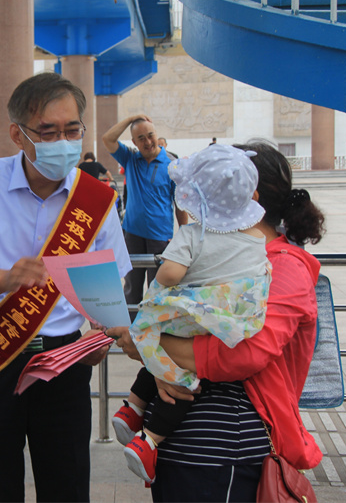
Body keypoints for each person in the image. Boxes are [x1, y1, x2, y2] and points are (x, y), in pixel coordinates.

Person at [0, 72, 131, 502]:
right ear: (17, 135)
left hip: (63, 363)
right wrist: (5, 279)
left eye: (72, 130)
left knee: (67, 486)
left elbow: (110, 284)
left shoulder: (95, 199)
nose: (64, 142)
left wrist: (102, 334)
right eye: (48, 132)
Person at [107, 140, 325, 502]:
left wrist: (149, 341)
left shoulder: (283, 267)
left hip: (228, 446)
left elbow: (244, 355)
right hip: (186, 443)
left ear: (250, 196)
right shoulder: (216, 249)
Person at [111, 144, 271, 485]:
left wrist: (169, 267)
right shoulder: (257, 240)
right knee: (177, 360)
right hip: (224, 324)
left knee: (161, 350)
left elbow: (169, 275)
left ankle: (140, 422)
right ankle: (141, 427)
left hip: (187, 319)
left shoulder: (192, 235)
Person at [102, 116, 188, 320]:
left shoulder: (172, 165)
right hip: (132, 233)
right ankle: (130, 327)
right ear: (134, 142)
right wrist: (132, 119)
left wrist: (183, 235)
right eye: (141, 138)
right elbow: (108, 139)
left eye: (150, 135)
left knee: (157, 287)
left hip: (160, 236)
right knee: (132, 286)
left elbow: (180, 204)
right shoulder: (130, 159)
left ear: (156, 135)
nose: (148, 142)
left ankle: (154, 327)